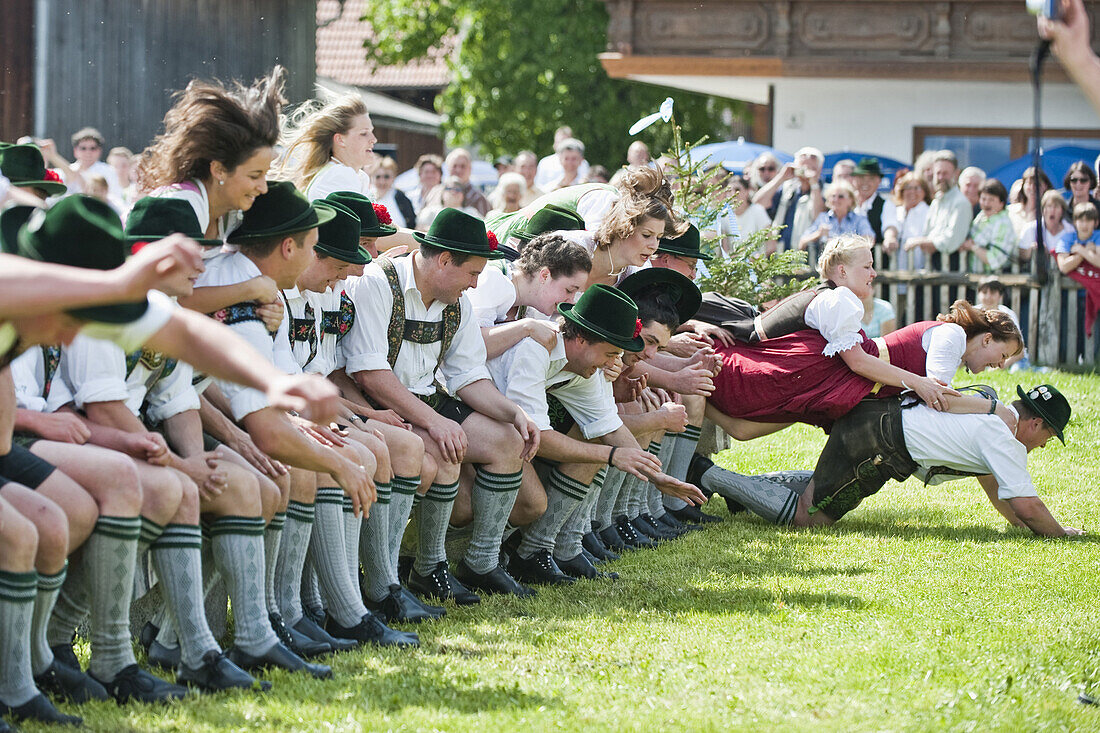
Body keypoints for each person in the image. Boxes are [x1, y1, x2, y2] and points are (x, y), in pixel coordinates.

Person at [343, 209, 541, 600]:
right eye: (472, 273)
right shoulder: (378, 284)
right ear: (445, 260)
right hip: (374, 403)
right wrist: (434, 421)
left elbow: (468, 376)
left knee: (507, 441)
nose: (475, 284)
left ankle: (482, 562)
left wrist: (514, 414)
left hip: (425, 400)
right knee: (445, 449)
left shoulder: (456, 303)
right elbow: (369, 373)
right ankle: (427, 566)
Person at [704, 235, 1022, 436]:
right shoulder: (840, 299)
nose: (873, 274)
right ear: (842, 271)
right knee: (743, 407)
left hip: (836, 380)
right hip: (829, 374)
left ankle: (696, 421)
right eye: (867, 267)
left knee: (743, 429)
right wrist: (993, 408)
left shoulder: (839, 299)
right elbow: (860, 362)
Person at [493, 284, 704, 585]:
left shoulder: (585, 365)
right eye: (610, 353)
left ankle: (537, 551)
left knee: (595, 438)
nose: (612, 365)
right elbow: (538, 436)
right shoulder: (536, 348)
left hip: (508, 434)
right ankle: (476, 561)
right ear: (580, 338)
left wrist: (658, 479)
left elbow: (609, 427)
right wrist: (614, 455)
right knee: (530, 503)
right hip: (471, 423)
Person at [691, 384, 1080, 537]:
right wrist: (1061, 535)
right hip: (880, 441)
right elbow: (1029, 506)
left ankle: (740, 491)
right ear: (1035, 422)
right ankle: (712, 476)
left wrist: (1015, 522)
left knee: (822, 484)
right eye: (1048, 435)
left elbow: (1000, 490)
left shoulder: (992, 416)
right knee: (811, 517)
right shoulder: (1006, 439)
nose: (1044, 446)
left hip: (878, 417)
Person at [468, 232, 591, 359]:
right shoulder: (492, 280)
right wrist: (527, 327)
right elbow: (471, 346)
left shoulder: (532, 308)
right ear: (545, 275)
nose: (571, 301)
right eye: (569, 290)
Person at [905, 150, 973, 270]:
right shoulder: (936, 202)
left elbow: (951, 241)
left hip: (952, 272)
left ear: (956, 174)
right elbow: (927, 233)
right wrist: (926, 242)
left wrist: (921, 242)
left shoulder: (961, 203)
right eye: (938, 173)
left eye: (945, 173)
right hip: (934, 268)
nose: (941, 177)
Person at [758, 146, 826, 253]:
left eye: (811, 168)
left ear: (819, 170)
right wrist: (781, 177)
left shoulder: (826, 192)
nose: (806, 172)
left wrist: (814, 184)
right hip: (781, 254)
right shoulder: (787, 189)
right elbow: (758, 204)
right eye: (802, 168)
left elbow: (818, 216)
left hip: (807, 257)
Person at [1054, 201, 1100, 342]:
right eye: (1081, 220)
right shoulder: (1067, 238)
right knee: (1073, 334)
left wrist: (1079, 250)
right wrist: (1084, 253)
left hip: (1095, 292)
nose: (1084, 224)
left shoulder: (1098, 236)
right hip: (1071, 295)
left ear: (1096, 222)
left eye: (1089, 220)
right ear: (1074, 222)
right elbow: (1064, 266)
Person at [798, 180, 874, 255]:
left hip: (851, 264)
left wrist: (843, 244)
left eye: (841, 196)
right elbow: (802, 242)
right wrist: (818, 234)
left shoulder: (859, 219)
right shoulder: (823, 218)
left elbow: (869, 239)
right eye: (833, 196)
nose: (836, 200)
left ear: (851, 200)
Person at [961, 178, 1014, 273]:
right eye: (983, 199)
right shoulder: (982, 215)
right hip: (975, 279)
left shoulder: (1003, 224)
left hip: (993, 282)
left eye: (991, 200)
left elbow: (995, 259)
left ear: (1001, 203)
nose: (986, 203)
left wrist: (973, 247)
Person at [420, 149, 490, 217]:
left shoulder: (478, 198)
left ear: (470, 169)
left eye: (463, 166)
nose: (458, 170)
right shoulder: (435, 192)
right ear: (448, 168)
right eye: (454, 166)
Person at [851, 157, 900, 250]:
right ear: (854, 179)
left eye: (871, 178)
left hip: (875, 262)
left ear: (879, 181)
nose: (865, 183)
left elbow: (890, 225)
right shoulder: (847, 202)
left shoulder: (886, 205)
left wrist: (890, 238)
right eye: (861, 177)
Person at [1018, 189, 1072, 264]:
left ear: (1062, 211)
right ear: (1043, 210)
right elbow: (1021, 255)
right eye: (1049, 206)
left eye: (1056, 207)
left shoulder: (1070, 230)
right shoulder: (1030, 228)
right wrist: (1032, 250)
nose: (1052, 210)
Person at [894, 172, 934, 271]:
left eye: (917, 188)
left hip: (920, 269)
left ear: (924, 191)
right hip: (896, 268)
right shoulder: (896, 211)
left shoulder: (929, 212)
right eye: (908, 188)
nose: (912, 192)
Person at [68, 127, 121, 197]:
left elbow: (115, 197)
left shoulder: (109, 171)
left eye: (93, 148)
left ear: (99, 151)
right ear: (75, 151)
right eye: (83, 148)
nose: (88, 152)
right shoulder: (66, 170)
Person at [369, 156, 415, 228]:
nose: (382, 181)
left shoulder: (400, 197)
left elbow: (412, 223)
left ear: (394, 177)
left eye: (386, 177)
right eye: (378, 177)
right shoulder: (367, 196)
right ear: (372, 177)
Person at [1008, 167, 1053, 235]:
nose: (1032, 188)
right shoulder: (1011, 210)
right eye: (1029, 183)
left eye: (1036, 184)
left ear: (1045, 186)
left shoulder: (1049, 213)